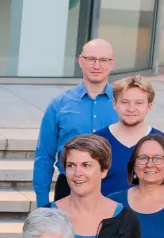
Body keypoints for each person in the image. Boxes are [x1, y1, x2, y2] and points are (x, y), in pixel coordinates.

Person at [35, 39, 118, 205]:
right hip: (69, 187)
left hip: (114, 188)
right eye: (91, 59)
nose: (96, 66)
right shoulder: (59, 104)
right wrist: (42, 202)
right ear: (81, 61)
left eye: (103, 60)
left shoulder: (123, 104)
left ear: (112, 64)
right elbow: (44, 156)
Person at [95, 75, 164, 196]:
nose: (131, 109)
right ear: (114, 104)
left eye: (139, 103)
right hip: (105, 213)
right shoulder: (96, 141)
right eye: (125, 102)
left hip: (150, 213)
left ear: (149, 106)